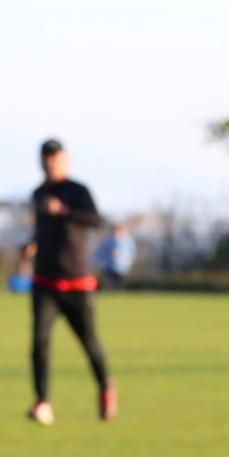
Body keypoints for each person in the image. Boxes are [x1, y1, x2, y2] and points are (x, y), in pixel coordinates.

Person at [27, 139, 116, 425]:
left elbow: (96, 221)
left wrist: (64, 211)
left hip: (77, 283)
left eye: (54, 157)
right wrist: (31, 245)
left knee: (90, 343)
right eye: (45, 158)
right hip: (45, 283)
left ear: (65, 160)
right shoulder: (38, 194)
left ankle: (105, 388)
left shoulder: (78, 191)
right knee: (39, 343)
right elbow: (43, 231)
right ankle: (42, 401)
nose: (49, 162)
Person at [97, 221, 137, 290]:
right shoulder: (109, 240)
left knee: (120, 284)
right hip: (109, 267)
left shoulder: (128, 241)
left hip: (123, 267)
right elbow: (102, 251)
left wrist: (123, 255)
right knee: (109, 283)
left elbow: (132, 253)